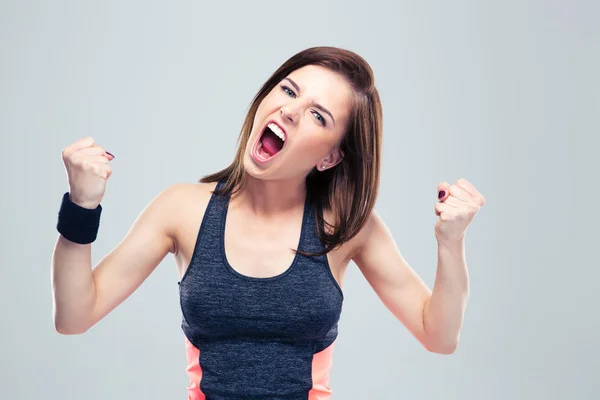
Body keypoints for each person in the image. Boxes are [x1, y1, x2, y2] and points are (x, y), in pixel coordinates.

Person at [52, 46, 485, 399]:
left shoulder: (348, 228)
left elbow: (439, 335)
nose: (292, 111)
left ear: (330, 157)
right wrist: (82, 205)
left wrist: (451, 242)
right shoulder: (181, 209)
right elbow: (74, 315)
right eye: (289, 90)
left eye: (319, 115)